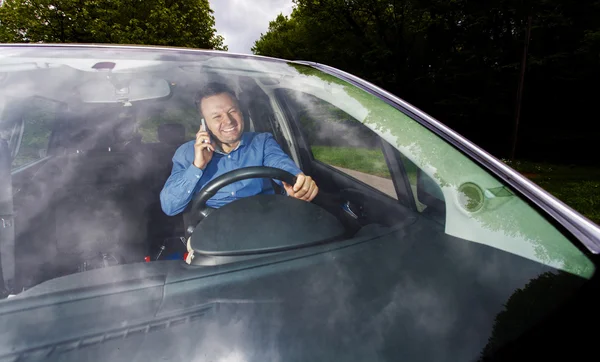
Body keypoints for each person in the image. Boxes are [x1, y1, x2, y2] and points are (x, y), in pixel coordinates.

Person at [160, 82, 319, 218]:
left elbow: (283, 167)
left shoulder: (262, 141)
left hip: (265, 219)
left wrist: (299, 183)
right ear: (204, 123)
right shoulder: (186, 153)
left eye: (232, 111)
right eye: (217, 117)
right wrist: (197, 166)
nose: (228, 121)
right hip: (213, 229)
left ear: (241, 112)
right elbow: (170, 207)